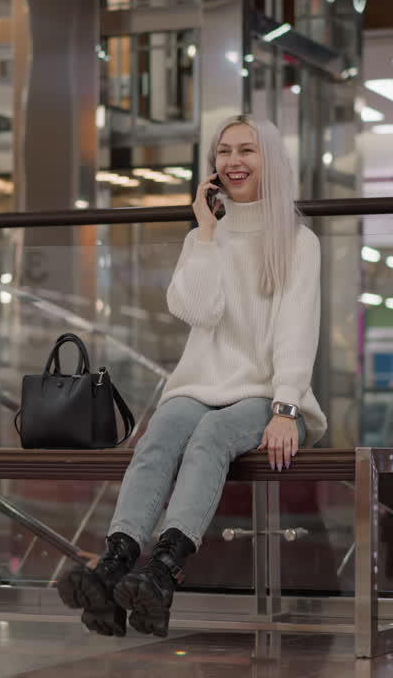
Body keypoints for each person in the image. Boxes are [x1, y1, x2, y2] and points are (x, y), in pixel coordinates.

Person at [56, 114, 327, 637]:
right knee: (158, 435)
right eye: (224, 152)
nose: (234, 162)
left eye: (247, 151)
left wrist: (286, 408)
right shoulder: (205, 237)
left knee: (210, 438)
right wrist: (206, 233)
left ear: (270, 160)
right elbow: (195, 310)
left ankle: (164, 569)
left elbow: (297, 330)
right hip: (200, 383)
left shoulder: (298, 241)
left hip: (264, 391)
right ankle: (116, 563)